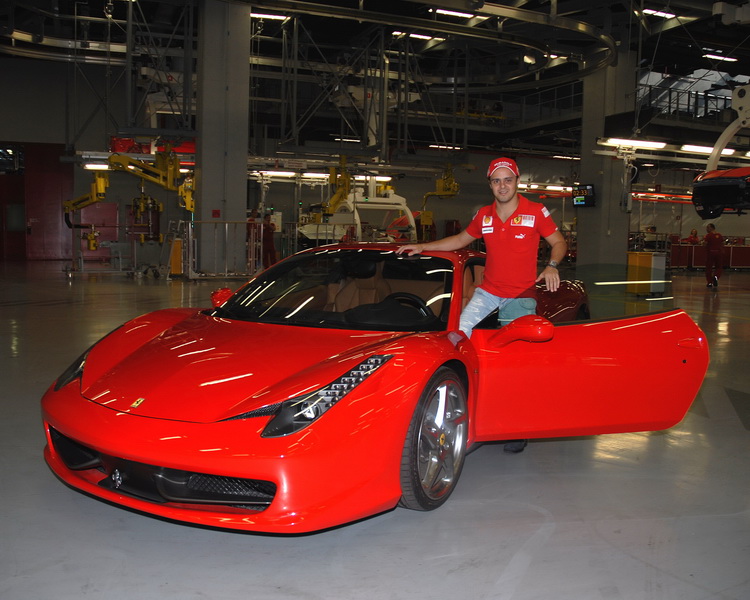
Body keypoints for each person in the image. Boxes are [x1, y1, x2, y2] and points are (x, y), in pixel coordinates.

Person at [397, 157, 567, 454]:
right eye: (496, 181)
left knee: (516, 363)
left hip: (521, 295)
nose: (503, 186)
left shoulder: (535, 212)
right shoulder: (484, 216)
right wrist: (423, 246)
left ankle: (518, 425)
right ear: (491, 184)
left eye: (508, 180)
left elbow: (559, 242)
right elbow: (460, 240)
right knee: (455, 336)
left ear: (517, 182)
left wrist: (552, 265)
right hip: (488, 292)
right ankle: (459, 400)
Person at [703, 223, 724, 288]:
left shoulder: (708, 235)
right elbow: (722, 244)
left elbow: (705, 244)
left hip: (710, 253)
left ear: (712, 228)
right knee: (719, 267)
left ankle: (709, 282)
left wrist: (703, 244)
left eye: (708, 228)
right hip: (719, 253)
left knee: (709, 268)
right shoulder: (720, 235)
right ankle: (716, 276)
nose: (707, 229)